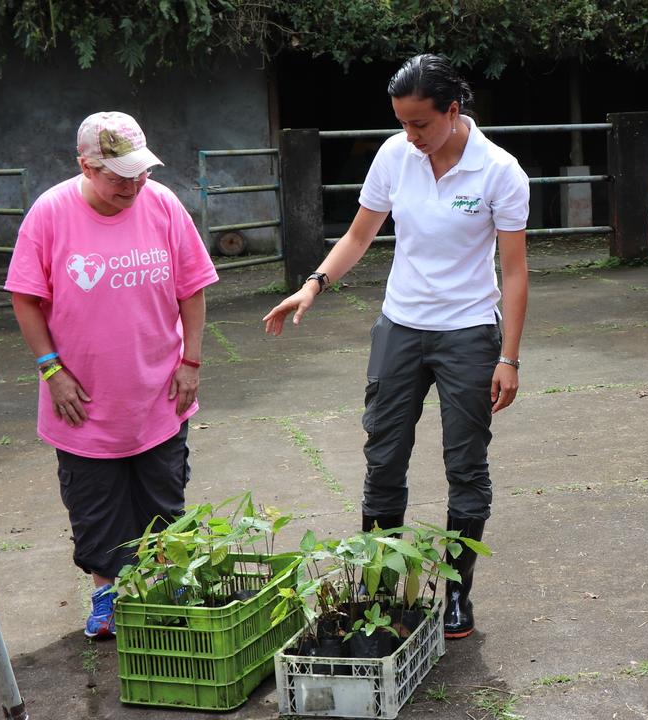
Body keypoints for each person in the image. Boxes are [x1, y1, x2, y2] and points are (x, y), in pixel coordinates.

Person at [264, 54, 529, 640]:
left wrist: (509, 357)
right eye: (402, 123)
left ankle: (458, 595)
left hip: (468, 333)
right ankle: (380, 586)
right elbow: (361, 232)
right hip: (400, 326)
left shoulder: (500, 171)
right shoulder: (394, 155)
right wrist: (313, 285)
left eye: (420, 124)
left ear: (453, 111)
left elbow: (513, 272)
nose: (410, 136)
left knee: (466, 464)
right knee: (383, 457)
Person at [6, 111, 218, 638]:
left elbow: (192, 287)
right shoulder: (51, 213)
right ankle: (106, 594)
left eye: (140, 171)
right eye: (119, 175)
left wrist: (191, 361)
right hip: (83, 397)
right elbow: (26, 298)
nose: (133, 184)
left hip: (159, 392)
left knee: (164, 500)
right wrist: (50, 370)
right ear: (86, 165)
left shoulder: (162, 203)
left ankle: (172, 586)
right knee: (95, 507)